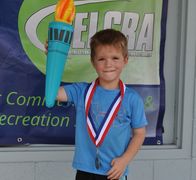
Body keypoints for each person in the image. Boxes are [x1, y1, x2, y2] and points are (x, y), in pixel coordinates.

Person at [45, 29, 147, 180]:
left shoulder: (132, 99)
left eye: (115, 58)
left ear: (125, 60)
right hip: (85, 170)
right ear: (93, 62)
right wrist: (53, 57)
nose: (108, 64)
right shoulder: (81, 91)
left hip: (115, 170)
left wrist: (124, 160)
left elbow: (139, 133)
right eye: (101, 59)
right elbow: (52, 94)